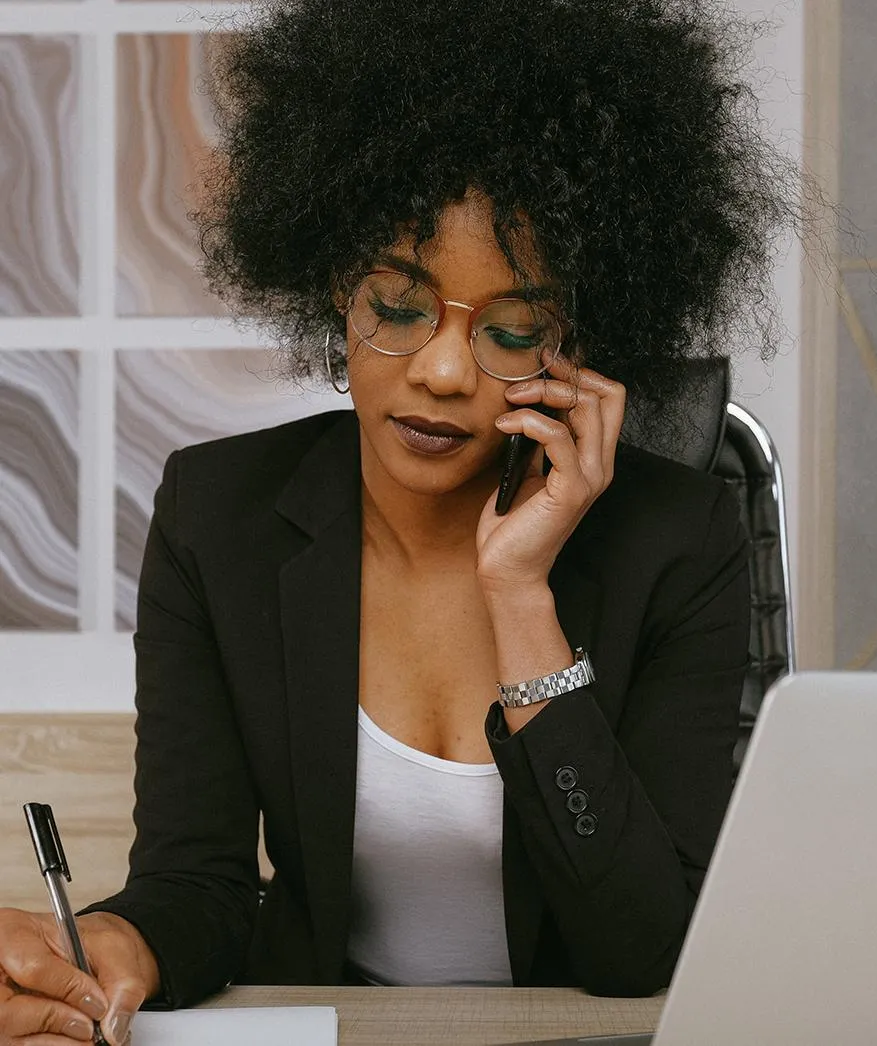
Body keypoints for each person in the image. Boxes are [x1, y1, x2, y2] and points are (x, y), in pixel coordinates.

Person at [0, 0, 813, 1041]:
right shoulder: (221, 518)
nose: (438, 370)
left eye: (512, 328)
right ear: (336, 289)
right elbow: (194, 884)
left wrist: (520, 592)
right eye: (397, 305)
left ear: (576, 342)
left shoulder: (680, 538)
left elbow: (641, 949)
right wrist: (113, 947)